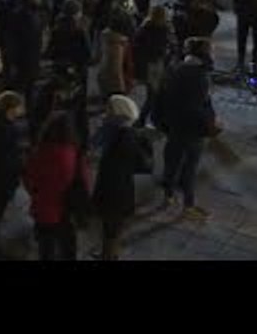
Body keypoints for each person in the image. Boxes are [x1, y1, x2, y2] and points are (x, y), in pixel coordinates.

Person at [154, 37, 217, 220]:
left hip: (174, 125)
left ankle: (168, 197)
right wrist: (210, 123)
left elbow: (160, 97)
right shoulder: (200, 76)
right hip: (192, 129)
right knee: (190, 167)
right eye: (212, 51)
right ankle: (188, 205)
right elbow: (198, 106)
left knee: (172, 162)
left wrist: (160, 122)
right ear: (204, 54)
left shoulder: (174, 69)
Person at [91, 95, 152, 260]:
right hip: (118, 186)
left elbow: (97, 150)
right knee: (111, 228)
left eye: (109, 109)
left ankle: (109, 256)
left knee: (111, 228)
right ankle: (108, 254)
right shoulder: (120, 131)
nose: (106, 112)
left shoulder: (122, 135)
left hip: (114, 188)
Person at [23, 111, 90, 261]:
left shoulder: (39, 152)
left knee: (46, 249)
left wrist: (36, 192)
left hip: (43, 208)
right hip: (67, 208)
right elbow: (84, 181)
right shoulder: (74, 153)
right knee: (68, 248)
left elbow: (28, 179)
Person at [0, 90, 26, 258]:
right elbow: (4, 156)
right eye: (19, 106)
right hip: (1, 178)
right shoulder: (3, 128)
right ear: (11, 108)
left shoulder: (1, 124)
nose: (22, 109)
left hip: (1, 176)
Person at [132, 5, 170, 127]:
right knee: (154, 95)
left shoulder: (144, 28)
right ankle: (144, 120)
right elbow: (165, 48)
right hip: (156, 65)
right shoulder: (163, 29)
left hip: (149, 65)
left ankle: (150, 119)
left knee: (154, 94)